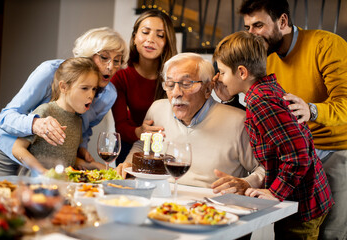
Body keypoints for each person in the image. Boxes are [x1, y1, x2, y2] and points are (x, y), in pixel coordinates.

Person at [239, 0, 347, 239]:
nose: (252, 34)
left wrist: (312, 111)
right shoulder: (266, 58)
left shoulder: (326, 44)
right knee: (291, 231)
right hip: (297, 155)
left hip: (335, 151)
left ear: (283, 21)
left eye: (258, 25)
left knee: (331, 233)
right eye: (248, 27)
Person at [213, 30, 334, 239]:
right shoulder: (264, 90)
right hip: (307, 197)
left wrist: (275, 192)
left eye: (222, 72)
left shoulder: (262, 102)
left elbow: (298, 156)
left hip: (301, 205)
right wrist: (228, 95)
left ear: (242, 72)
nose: (219, 78)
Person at [0, 27, 127, 177]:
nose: (111, 66)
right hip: (7, 149)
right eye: (104, 58)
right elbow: (6, 117)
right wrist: (36, 124)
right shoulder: (50, 72)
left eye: (117, 60)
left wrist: (81, 150)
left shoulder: (109, 94)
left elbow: (84, 128)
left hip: (46, 161)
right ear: (87, 55)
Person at [116, 52, 265, 192]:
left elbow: (264, 167)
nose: (176, 93)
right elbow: (143, 145)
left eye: (186, 84)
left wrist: (247, 183)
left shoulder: (238, 121)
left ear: (208, 89)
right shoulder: (158, 109)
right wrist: (130, 165)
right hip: (162, 199)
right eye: (170, 84)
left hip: (212, 208)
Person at [13, 58, 105, 175]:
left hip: (61, 186)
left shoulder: (78, 120)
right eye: (84, 88)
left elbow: (68, 158)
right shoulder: (45, 112)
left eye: (94, 89)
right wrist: (42, 171)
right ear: (63, 87)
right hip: (35, 185)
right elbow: (17, 149)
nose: (91, 95)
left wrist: (92, 165)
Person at [111, 9, 177, 165]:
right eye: (145, 32)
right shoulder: (121, 77)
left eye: (160, 35)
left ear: (167, 42)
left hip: (167, 143)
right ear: (134, 38)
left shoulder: (174, 75)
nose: (151, 39)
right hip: (133, 142)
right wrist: (140, 131)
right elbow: (121, 127)